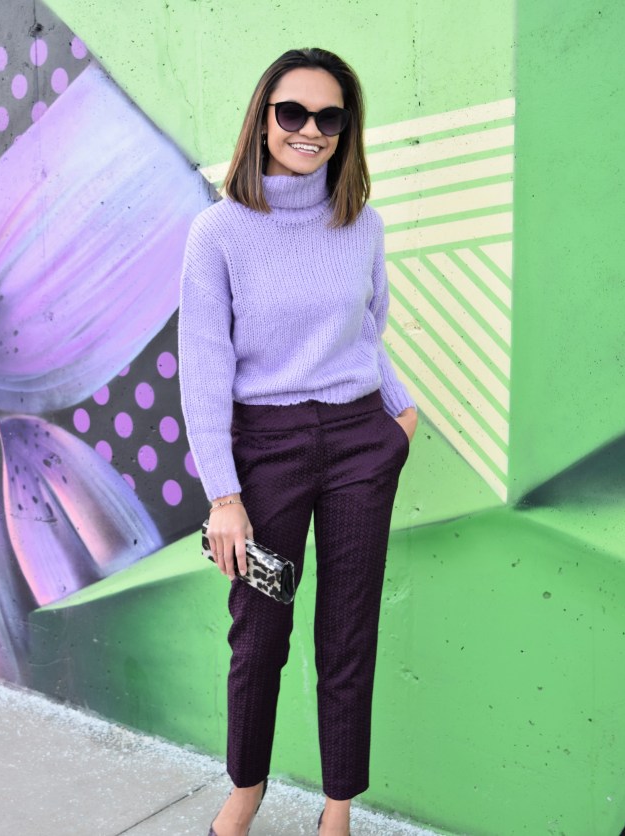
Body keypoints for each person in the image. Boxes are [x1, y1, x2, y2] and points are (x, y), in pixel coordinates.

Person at [178, 47, 417, 836]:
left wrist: (401, 416)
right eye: (293, 112)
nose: (309, 130)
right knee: (259, 634)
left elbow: (367, 334)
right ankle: (245, 791)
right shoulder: (218, 232)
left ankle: (338, 808)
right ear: (263, 119)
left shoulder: (362, 224)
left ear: (347, 130)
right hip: (265, 450)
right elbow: (204, 370)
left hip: (359, 442)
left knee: (348, 634)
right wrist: (224, 496)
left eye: (329, 116)